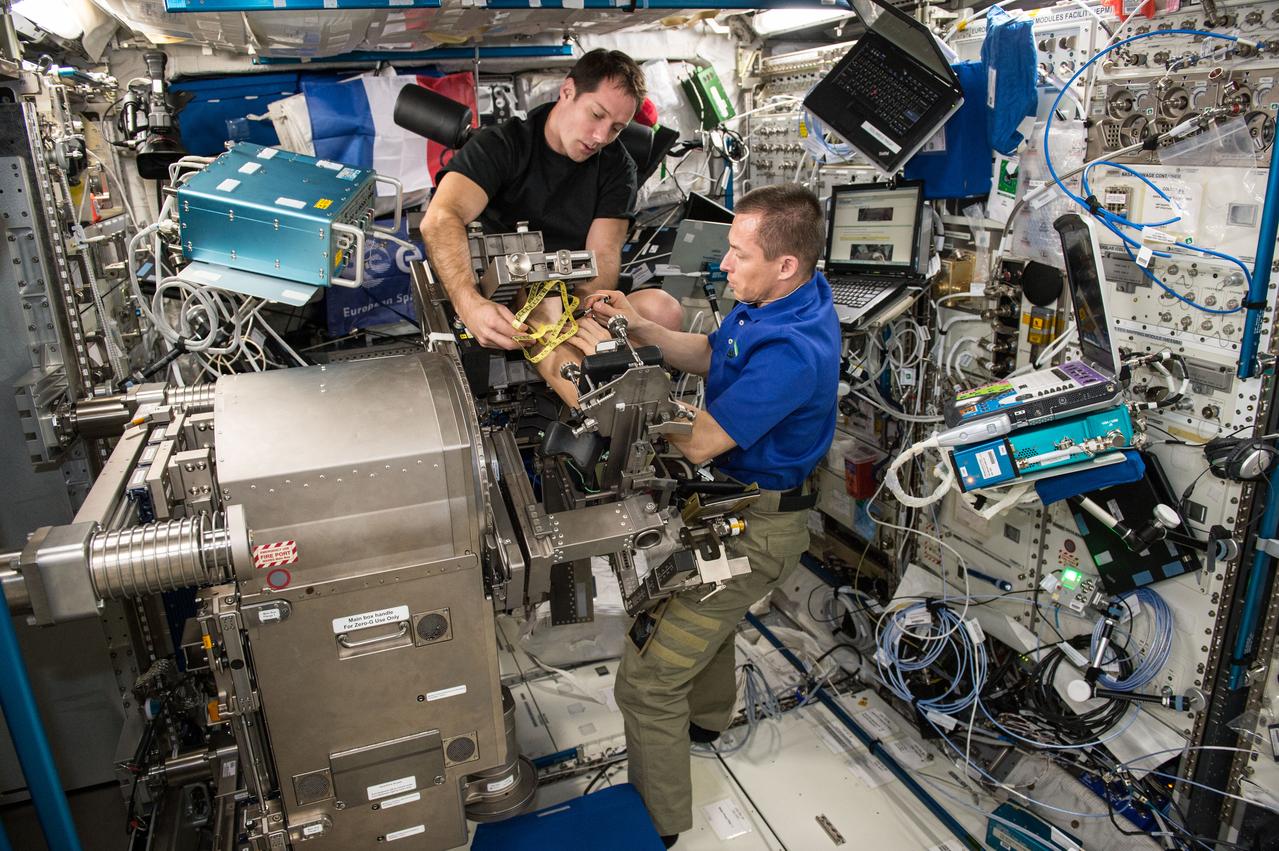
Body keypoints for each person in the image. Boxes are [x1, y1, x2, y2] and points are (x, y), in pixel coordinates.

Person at [569, 183, 840, 847]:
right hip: (735, 504)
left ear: (784, 263)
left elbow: (699, 440)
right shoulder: (774, 301)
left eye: (738, 255)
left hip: (760, 527)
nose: (722, 265)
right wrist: (640, 329)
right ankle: (706, 723)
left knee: (648, 680)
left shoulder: (793, 350)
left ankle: (657, 825)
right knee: (707, 619)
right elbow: (710, 352)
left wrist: (618, 401)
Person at [420, 48, 684, 366]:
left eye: (616, 128)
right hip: (502, 297)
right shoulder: (501, 146)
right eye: (596, 115)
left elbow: (603, 255)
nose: (601, 136)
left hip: (572, 295)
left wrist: (585, 315)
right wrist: (469, 304)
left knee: (663, 309)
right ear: (567, 91)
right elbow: (440, 218)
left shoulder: (617, 167)